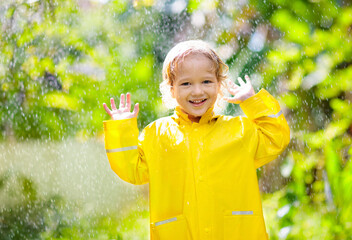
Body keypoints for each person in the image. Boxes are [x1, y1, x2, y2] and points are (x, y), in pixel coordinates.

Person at [102, 40, 290, 240]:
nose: (197, 91)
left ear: (219, 84)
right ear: (171, 89)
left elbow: (276, 137)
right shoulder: (157, 135)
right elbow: (131, 169)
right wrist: (122, 129)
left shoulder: (240, 131)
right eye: (186, 83)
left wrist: (253, 102)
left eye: (206, 81)